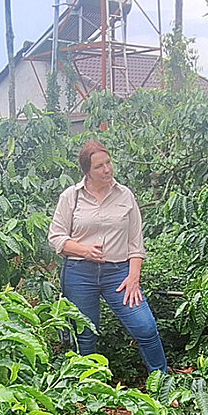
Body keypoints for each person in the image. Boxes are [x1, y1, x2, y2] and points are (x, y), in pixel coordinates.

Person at [48, 139, 167, 373]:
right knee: (86, 335)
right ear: (87, 172)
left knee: (145, 327)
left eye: (108, 163)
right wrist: (84, 250)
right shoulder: (71, 197)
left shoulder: (125, 195)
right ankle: (88, 390)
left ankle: (162, 381)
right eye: (99, 166)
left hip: (119, 273)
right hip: (80, 273)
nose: (107, 169)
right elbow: (56, 237)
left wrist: (134, 277)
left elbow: (136, 243)